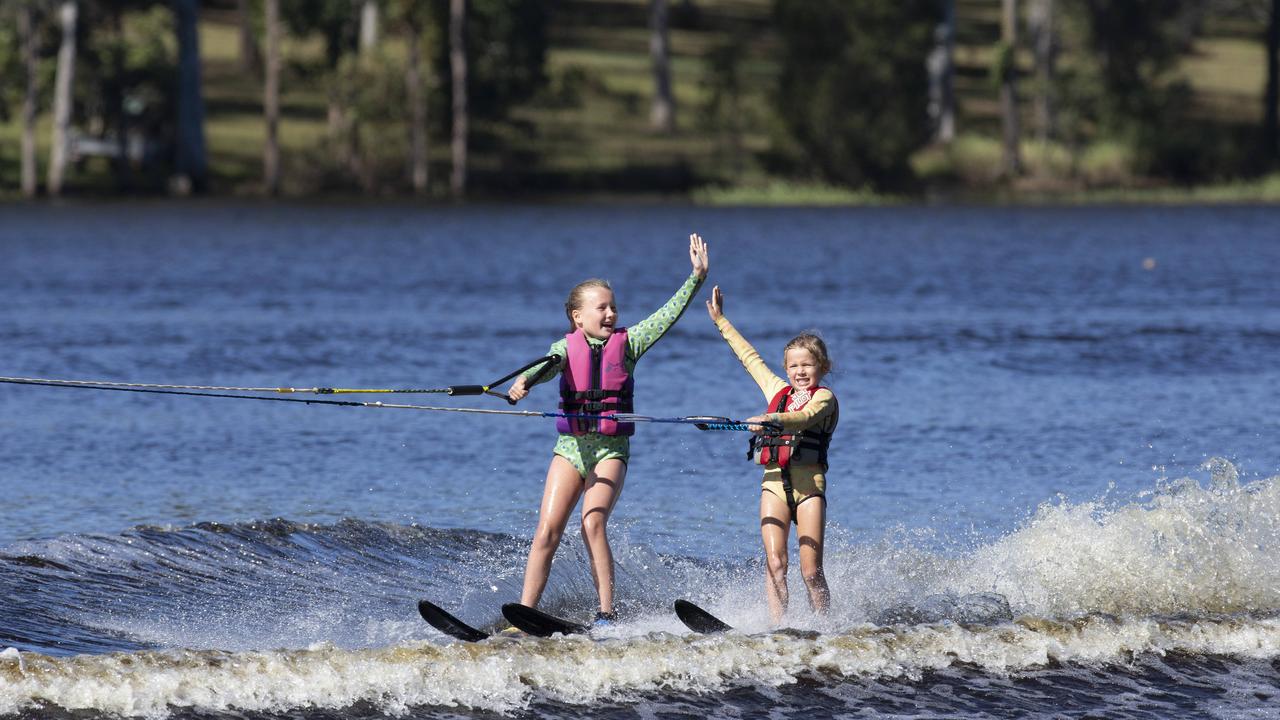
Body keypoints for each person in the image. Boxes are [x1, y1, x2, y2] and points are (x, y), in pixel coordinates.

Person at [506, 233, 709, 625]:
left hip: (611, 450)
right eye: (602, 308)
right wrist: (523, 383)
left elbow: (667, 315)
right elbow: (542, 367)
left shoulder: (629, 344)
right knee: (547, 530)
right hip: (571, 449)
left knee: (592, 521)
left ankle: (605, 613)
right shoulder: (564, 349)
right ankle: (525, 613)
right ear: (577, 317)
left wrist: (695, 278)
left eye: (613, 307)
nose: (611, 313)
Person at [705, 285, 838, 624]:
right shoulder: (777, 389)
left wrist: (769, 420)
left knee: (810, 571)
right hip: (774, 483)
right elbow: (749, 358)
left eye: (807, 365)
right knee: (776, 563)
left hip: (810, 488)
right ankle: (780, 628)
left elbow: (803, 419)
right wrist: (721, 320)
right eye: (793, 366)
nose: (800, 372)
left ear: (821, 366)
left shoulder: (825, 399)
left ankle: (826, 627)